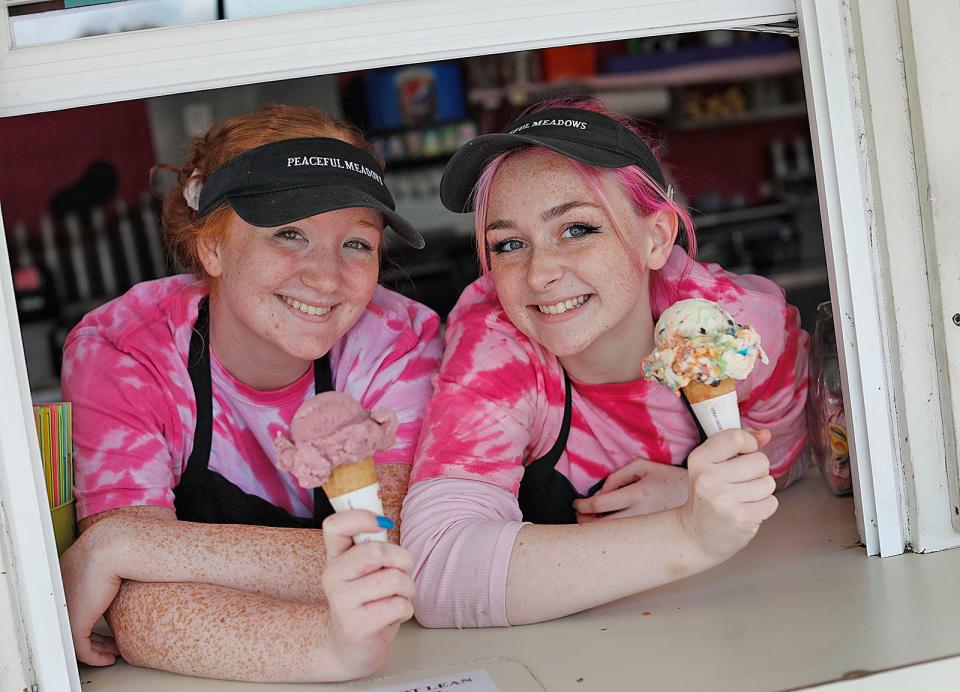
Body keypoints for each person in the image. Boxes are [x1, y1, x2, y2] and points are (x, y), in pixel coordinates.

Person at [58, 105, 442, 681]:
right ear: (211, 248)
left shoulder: (400, 340)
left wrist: (123, 545)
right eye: (289, 233)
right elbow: (136, 605)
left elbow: (401, 556)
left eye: (356, 243)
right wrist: (330, 646)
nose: (326, 277)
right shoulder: (125, 351)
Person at [401, 98, 810, 628]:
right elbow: (436, 571)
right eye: (508, 243)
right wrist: (688, 529)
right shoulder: (498, 347)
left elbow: (799, 456)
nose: (540, 273)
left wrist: (692, 488)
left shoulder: (739, 331)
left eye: (577, 229)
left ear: (656, 238)